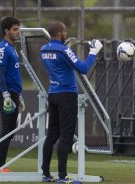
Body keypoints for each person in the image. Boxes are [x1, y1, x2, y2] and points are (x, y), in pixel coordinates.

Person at [39, 21, 102, 183]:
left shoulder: (43, 49)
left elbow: (58, 59)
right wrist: (93, 52)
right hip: (67, 95)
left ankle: (45, 174)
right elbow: (83, 67)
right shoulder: (64, 50)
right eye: (64, 32)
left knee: (51, 135)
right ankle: (62, 176)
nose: (66, 34)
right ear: (60, 33)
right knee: (66, 136)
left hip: (52, 94)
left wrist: (64, 48)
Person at [0, 17, 25, 173]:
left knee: (11, 129)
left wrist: (19, 94)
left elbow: (14, 73)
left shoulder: (12, 47)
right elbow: (0, 74)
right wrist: (6, 95)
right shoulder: (3, 48)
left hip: (13, 92)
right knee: (7, 129)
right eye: (15, 29)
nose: (18, 32)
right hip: (4, 93)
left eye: (18, 28)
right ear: (6, 31)